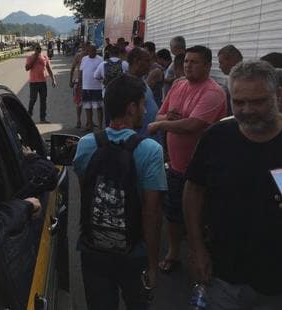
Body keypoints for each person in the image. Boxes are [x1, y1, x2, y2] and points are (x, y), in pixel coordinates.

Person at [184, 60, 282, 309]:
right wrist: (196, 248)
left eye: (257, 101)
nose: (247, 110)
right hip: (222, 274)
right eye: (238, 102)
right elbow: (194, 190)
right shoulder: (216, 137)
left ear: (277, 95)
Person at [73, 74, 167, 310]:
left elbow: (85, 191)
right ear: (131, 107)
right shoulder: (151, 150)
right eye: (143, 104)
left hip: (93, 249)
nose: (145, 112)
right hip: (133, 253)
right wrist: (153, 266)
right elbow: (151, 213)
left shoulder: (85, 144)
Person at [147, 45, 227, 273]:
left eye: (195, 62)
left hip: (201, 170)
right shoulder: (179, 84)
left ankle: (199, 255)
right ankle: (173, 252)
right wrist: (166, 119)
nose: (188, 65)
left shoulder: (213, 92)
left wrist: (163, 124)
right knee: (173, 213)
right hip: (175, 165)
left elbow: (193, 124)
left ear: (208, 66)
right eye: (186, 61)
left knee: (200, 217)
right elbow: (159, 113)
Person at [127, 48, 159, 142]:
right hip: (141, 140)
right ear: (136, 61)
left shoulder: (142, 82)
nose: (150, 64)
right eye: (147, 61)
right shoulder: (127, 85)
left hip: (150, 138)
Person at [25, 44, 57, 123]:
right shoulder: (30, 57)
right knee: (33, 100)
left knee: (43, 100)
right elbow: (27, 68)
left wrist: (53, 79)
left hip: (43, 82)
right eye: (37, 48)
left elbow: (49, 68)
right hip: (34, 82)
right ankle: (28, 116)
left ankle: (43, 118)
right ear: (34, 49)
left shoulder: (45, 57)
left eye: (40, 48)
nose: (39, 50)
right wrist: (35, 58)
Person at [80, 45, 104, 131]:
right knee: (87, 107)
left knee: (98, 107)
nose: (92, 52)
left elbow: (102, 72)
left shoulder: (100, 59)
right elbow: (81, 71)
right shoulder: (84, 59)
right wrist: (80, 84)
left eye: (94, 50)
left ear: (96, 51)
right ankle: (90, 125)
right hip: (86, 87)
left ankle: (100, 127)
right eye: (90, 50)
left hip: (97, 87)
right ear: (87, 51)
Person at [218, 44, 243, 115]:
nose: (219, 67)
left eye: (221, 63)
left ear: (232, 60)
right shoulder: (230, 79)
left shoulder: (244, 82)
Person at [70, 43, 88, 128]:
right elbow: (73, 68)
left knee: (89, 103)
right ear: (83, 47)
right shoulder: (78, 56)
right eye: (85, 47)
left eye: (88, 47)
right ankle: (78, 120)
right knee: (79, 103)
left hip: (88, 83)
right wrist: (71, 80)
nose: (86, 49)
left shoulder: (92, 57)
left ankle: (89, 121)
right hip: (79, 82)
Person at [144, 42, 164, 107]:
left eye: (145, 52)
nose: (142, 55)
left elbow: (145, 89)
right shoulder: (146, 67)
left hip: (153, 104)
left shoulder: (156, 69)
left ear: (152, 53)